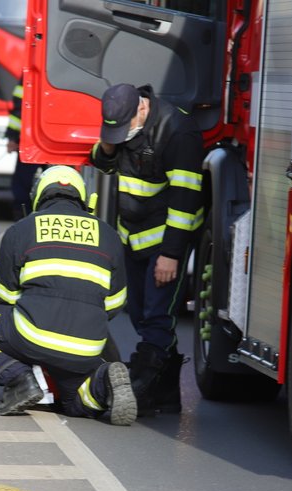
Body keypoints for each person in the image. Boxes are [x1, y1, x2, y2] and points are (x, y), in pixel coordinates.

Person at [0, 166, 137, 426]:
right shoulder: (109, 235)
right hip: (86, 346)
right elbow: (115, 303)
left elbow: (2, 293)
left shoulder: (23, 229)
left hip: (33, 336)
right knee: (73, 403)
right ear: (84, 199)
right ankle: (103, 381)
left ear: (38, 196)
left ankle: (19, 379)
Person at [89, 83, 204, 415]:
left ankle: (140, 385)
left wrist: (171, 254)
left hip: (165, 240)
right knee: (139, 314)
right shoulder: (126, 124)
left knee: (157, 318)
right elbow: (103, 164)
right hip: (133, 235)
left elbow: (185, 201)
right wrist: (108, 148)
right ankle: (167, 395)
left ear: (142, 108)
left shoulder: (178, 131)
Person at [5, 76, 43, 220]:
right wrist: (13, 136)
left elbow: (18, 106)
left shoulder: (30, 73)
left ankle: (22, 218)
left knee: (22, 183)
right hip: (43, 139)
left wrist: (12, 136)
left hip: (30, 138)